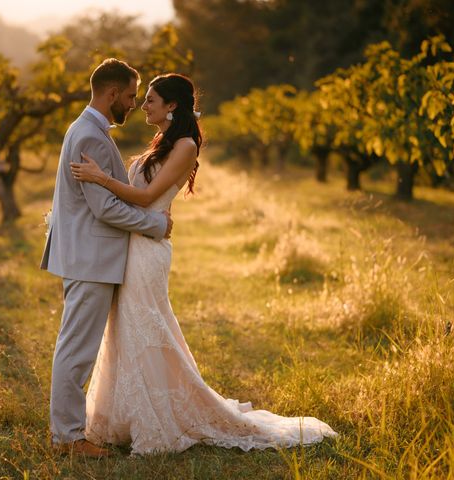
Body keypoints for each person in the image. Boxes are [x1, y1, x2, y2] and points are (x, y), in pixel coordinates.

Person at [70, 73, 339, 455]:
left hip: (148, 252)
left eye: (150, 100)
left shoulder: (185, 146)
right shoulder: (161, 143)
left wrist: (100, 178)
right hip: (134, 245)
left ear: (172, 106)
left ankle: (159, 417)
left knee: (146, 328)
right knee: (126, 329)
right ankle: (124, 414)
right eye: (140, 98)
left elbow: (146, 197)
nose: (142, 105)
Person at [40, 58, 173, 458]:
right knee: (76, 350)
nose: (133, 104)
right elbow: (106, 209)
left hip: (86, 255)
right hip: (91, 257)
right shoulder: (92, 136)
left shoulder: (84, 128)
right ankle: (68, 438)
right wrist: (154, 223)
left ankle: (69, 433)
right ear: (112, 93)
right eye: (131, 96)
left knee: (75, 345)